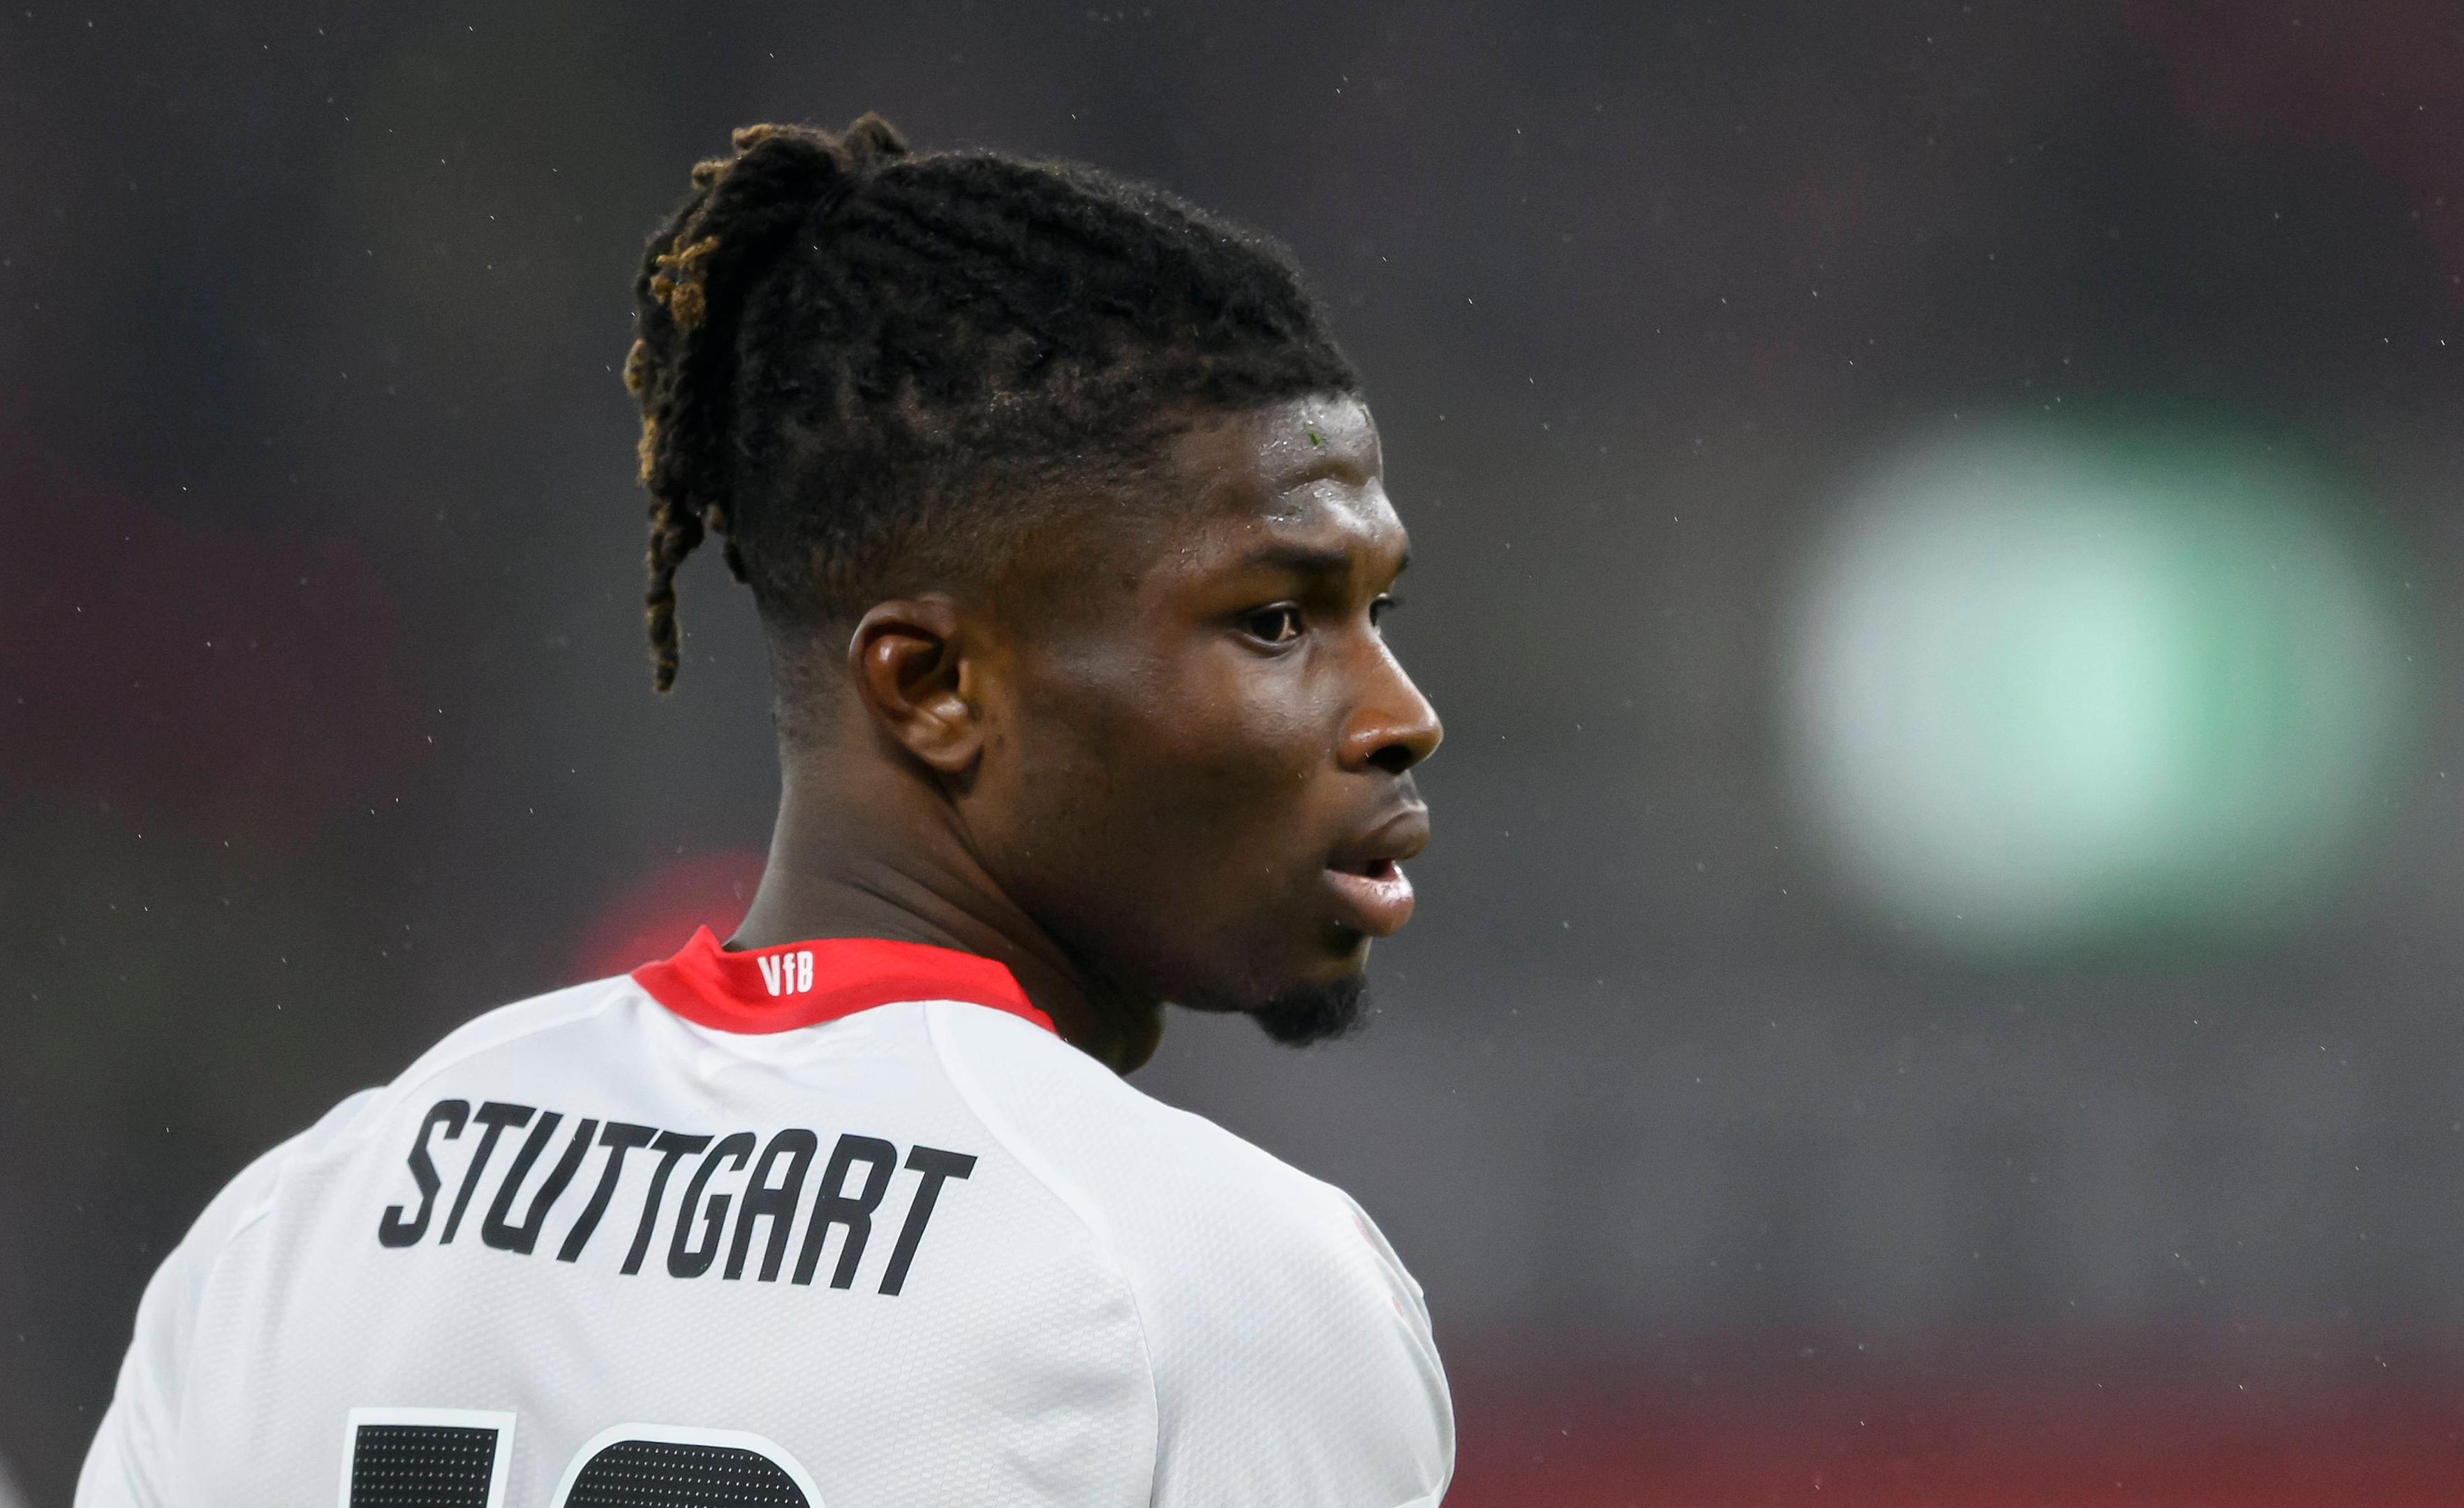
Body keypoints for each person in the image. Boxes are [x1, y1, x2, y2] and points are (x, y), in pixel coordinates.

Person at [77, 113, 1452, 1507]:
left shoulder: (298, 1228)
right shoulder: (1220, 1295)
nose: (1401, 714)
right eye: (1277, 622)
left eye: (1377, 610)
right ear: (931, 685)